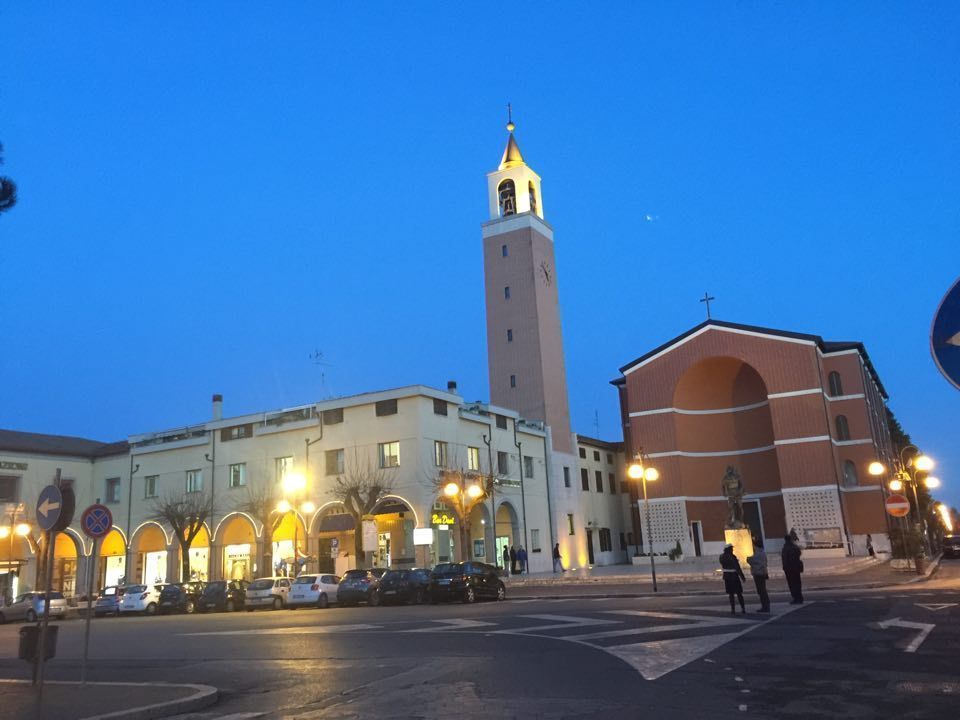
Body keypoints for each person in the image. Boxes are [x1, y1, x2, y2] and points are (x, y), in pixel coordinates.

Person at [719, 543, 746, 614]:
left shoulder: (721, 557)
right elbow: (737, 567)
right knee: (739, 593)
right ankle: (743, 608)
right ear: (729, 549)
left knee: (731, 594)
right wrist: (742, 576)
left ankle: (733, 609)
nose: (732, 549)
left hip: (727, 577)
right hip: (734, 576)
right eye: (731, 548)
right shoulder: (732, 557)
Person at [746, 539, 770, 613]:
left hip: (758, 573)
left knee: (761, 591)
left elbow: (752, 561)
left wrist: (748, 559)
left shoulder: (758, 553)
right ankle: (766, 605)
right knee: (763, 590)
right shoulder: (763, 553)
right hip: (762, 573)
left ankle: (765, 606)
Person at [781, 534, 804, 604]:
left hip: (789, 569)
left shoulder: (785, 548)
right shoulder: (795, 547)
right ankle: (799, 597)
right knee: (798, 583)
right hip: (796, 568)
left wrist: (784, 567)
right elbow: (799, 553)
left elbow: (785, 559)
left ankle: (796, 598)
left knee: (792, 584)